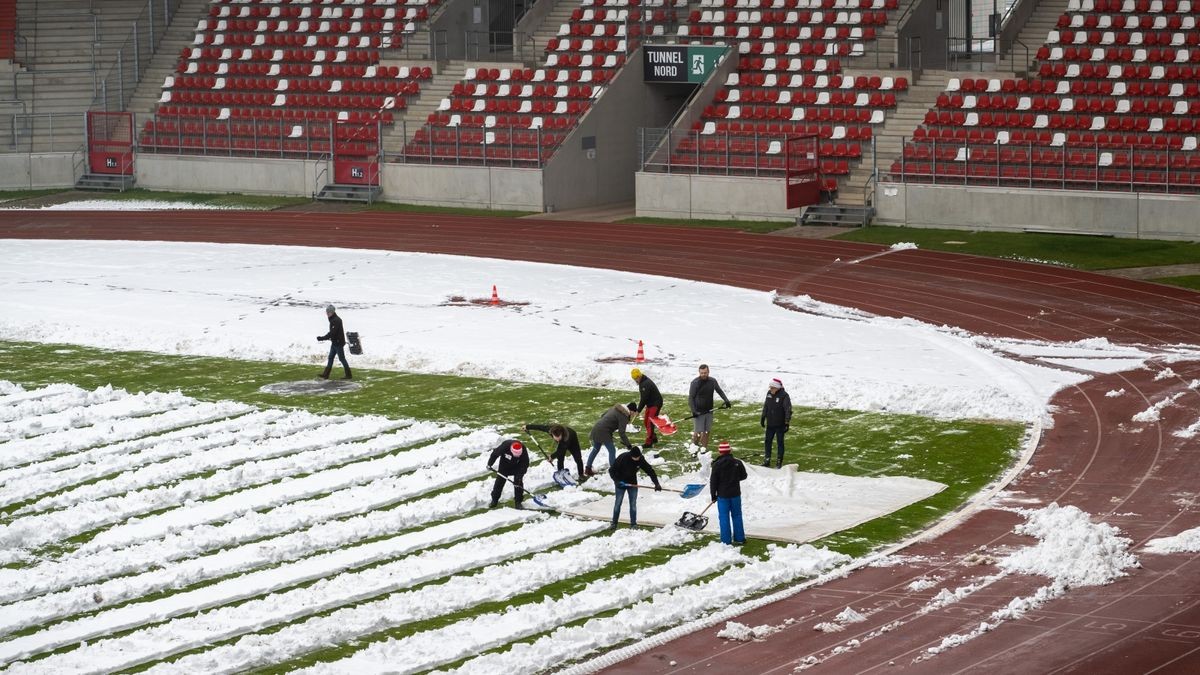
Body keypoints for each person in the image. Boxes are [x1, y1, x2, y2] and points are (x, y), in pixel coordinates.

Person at [608, 446, 662, 530]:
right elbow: (611, 470)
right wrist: (617, 481)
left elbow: (649, 470)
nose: (637, 459)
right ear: (631, 455)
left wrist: (656, 483)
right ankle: (614, 523)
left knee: (633, 504)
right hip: (620, 484)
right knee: (618, 503)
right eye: (635, 457)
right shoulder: (623, 457)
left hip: (632, 484)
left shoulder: (640, 459)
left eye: (638, 457)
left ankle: (633, 524)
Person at [710, 441, 748, 545]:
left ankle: (726, 540)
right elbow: (744, 476)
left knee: (724, 517)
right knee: (737, 515)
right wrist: (735, 479)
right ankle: (740, 538)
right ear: (730, 451)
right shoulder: (737, 462)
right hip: (735, 494)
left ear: (720, 452)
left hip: (723, 495)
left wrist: (713, 495)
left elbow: (713, 481)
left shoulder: (717, 465)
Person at [584, 402, 636, 476]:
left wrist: (609, 428)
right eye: (633, 413)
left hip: (597, 428)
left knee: (595, 449)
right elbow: (622, 433)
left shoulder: (615, 408)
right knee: (612, 451)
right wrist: (628, 445)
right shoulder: (624, 416)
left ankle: (588, 469)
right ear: (631, 410)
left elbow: (603, 415)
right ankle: (614, 471)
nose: (633, 415)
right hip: (604, 432)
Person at [688, 364, 730, 452]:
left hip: (709, 410)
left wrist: (726, 400)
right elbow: (691, 398)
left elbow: (719, 390)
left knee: (707, 432)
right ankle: (693, 449)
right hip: (698, 412)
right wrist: (693, 411)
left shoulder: (712, 381)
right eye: (702, 373)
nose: (703, 374)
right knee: (698, 433)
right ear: (699, 372)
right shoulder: (695, 383)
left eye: (705, 373)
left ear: (708, 372)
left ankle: (703, 450)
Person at [486, 438, 529, 509]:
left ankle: (518, 502)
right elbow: (494, 454)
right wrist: (489, 464)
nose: (516, 456)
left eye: (518, 455)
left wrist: (519, 476)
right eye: (515, 455)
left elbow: (525, 464)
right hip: (504, 465)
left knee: (518, 483)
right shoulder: (505, 446)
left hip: (517, 466)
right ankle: (494, 500)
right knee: (499, 482)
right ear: (511, 450)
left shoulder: (523, 449)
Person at [760, 377, 793, 468]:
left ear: (777, 387)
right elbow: (766, 406)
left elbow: (788, 409)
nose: (770, 389)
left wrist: (786, 422)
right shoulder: (769, 394)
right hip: (770, 423)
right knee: (767, 442)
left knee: (780, 443)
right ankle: (767, 460)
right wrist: (763, 417)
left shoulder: (784, 396)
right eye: (770, 388)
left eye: (772, 388)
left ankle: (779, 462)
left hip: (780, 424)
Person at [630, 368, 664, 449]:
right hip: (650, 404)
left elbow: (643, 399)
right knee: (646, 422)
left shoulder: (645, 384)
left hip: (655, 404)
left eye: (635, 379)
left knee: (650, 423)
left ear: (639, 376)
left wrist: (638, 410)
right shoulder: (642, 382)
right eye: (634, 379)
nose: (635, 381)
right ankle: (653, 437)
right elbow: (644, 398)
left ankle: (649, 442)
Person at [316, 304, 352, 380]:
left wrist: (322, 338)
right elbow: (333, 333)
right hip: (335, 342)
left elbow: (332, 333)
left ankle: (348, 375)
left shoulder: (336, 320)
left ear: (332, 312)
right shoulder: (333, 319)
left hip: (338, 343)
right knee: (330, 357)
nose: (327, 314)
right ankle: (326, 374)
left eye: (328, 312)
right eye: (327, 312)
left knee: (342, 359)